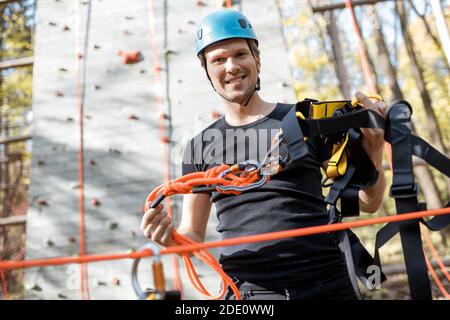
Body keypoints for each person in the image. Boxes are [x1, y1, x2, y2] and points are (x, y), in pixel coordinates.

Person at [140, 10, 387, 300]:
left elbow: (368, 204)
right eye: (218, 59)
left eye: (240, 54)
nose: (231, 66)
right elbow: (192, 235)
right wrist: (170, 238)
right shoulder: (200, 145)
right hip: (251, 293)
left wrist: (373, 148)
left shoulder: (304, 120)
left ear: (257, 59)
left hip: (326, 283)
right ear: (207, 71)